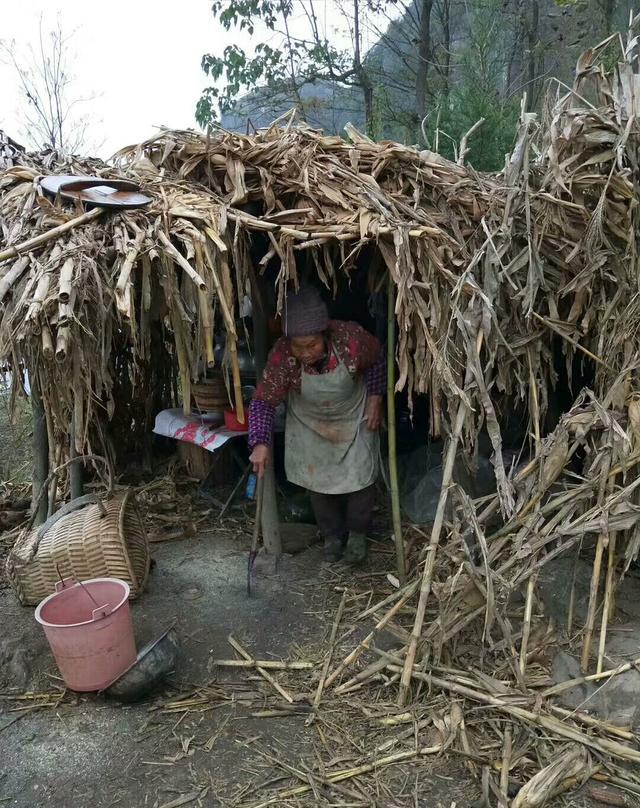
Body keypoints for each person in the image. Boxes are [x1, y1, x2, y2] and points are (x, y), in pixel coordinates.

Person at [248, 286, 385, 564]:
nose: (306, 353)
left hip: (353, 418)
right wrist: (260, 442)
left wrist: (375, 398)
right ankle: (332, 537)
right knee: (318, 486)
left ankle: (358, 536)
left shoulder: (351, 340)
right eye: (298, 347)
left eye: (312, 345)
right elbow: (263, 400)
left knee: (360, 482)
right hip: (311, 425)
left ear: (325, 333)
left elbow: (379, 361)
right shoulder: (283, 356)